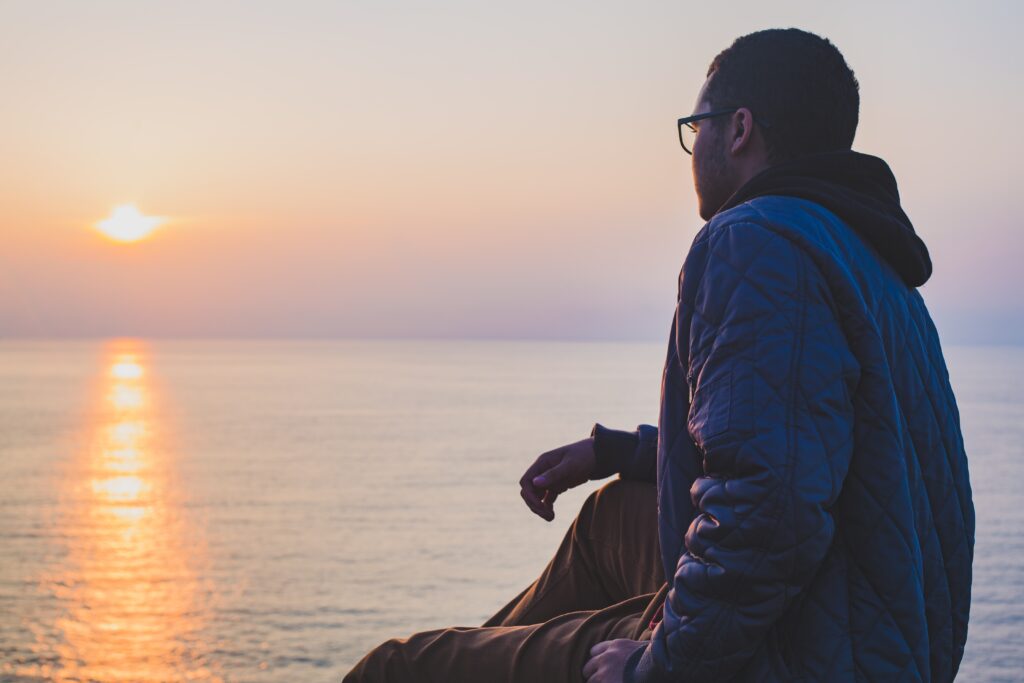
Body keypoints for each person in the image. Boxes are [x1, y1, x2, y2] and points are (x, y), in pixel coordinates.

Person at [344, 27, 975, 682]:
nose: (691, 146)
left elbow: (770, 511)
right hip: (884, 628)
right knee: (609, 516)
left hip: (805, 651)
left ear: (738, 129)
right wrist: (617, 451)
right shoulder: (868, 261)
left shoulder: (755, 241)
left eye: (694, 125)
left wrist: (657, 665)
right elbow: (801, 444)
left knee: (393, 668)